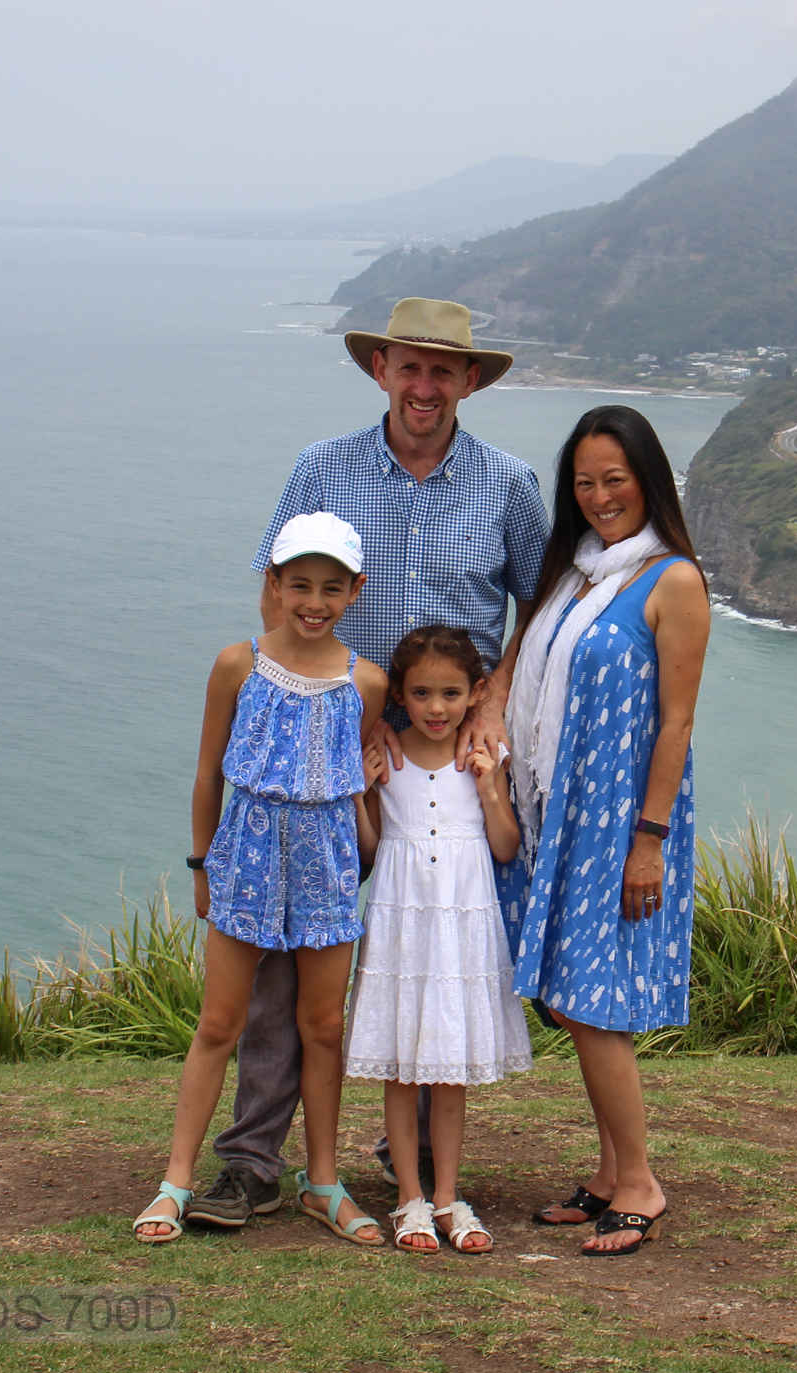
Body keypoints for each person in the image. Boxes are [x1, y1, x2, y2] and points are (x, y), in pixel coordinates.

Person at [182, 297, 549, 1233]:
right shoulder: (323, 468)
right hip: (337, 755)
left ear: (470, 381)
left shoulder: (506, 485)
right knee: (284, 965)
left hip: (451, 755)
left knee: (435, 939)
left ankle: (413, 1150)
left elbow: (540, 608)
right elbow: (280, 601)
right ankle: (251, 1161)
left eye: (443, 371)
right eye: (408, 367)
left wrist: (492, 704)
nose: (424, 387)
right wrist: (336, 718)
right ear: (380, 370)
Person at [132, 513, 389, 1246]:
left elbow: (354, 786)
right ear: (272, 585)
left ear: (354, 591)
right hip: (244, 862)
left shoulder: (365, 682)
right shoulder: (235, 665)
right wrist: (200, 862)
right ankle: (175, 1182)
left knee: (324, 1027)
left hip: (327, 870)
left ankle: (324, 1182)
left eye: (331, 588)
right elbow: (208, 773)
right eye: (299, 584)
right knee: (220, 1023)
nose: (314, 601)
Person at [499, 405, 709, 1256]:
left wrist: (648, 839)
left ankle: (641, 1184)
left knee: (594, 1006)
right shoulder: (576, 573)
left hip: (621, 823)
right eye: (584, 483)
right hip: (559, 815)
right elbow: (523, 665)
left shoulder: (673, 581)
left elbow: (677, 725)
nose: (598, 498)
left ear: (647, 480)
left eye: (614, 480)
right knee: (570, 999)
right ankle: (610, 1169)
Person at [343, 624, 531, 1252]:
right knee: (401, 1066)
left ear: (476, 693)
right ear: (400, 693)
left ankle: (449, 1196)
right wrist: (363, 794)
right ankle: (408, 1199)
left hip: (459, 927)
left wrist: (487, 786)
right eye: (421, 694)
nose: (435, 708)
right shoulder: (386, 753)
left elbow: (504, 847)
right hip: (401, 923)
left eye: (451, 694)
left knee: (448, 1072)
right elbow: (370, 851)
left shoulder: (483, 755)